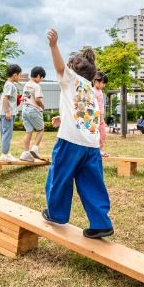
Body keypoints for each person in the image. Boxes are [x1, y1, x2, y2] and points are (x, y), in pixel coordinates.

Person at [42, 29, 113, 239]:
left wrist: (53, 46)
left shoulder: (70, 79)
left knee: (59, 177)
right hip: (91, 145)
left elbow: (59, 66)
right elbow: (82, 111)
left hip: (70, 143)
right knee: (92, 183)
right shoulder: (91, 89)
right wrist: (62, 119)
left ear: (73, 69)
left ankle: (56, 213)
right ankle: (101, 223)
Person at [19, 66, 46, 162]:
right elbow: (38, 99)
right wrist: (42, 107)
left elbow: (23, 97)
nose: (41, 80)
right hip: (33, 110)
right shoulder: (37, 86)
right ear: (38, 76)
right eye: (42, 78)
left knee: (29, 132)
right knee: (41, 129)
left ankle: (25, 153)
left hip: (25, 110)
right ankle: (35, 149)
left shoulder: (26, 84)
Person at [0, 64, 21, 162]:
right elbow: (5, 98)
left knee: (5, 134)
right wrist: (8, 111)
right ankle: (5, 155)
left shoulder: (9, 84)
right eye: (19, 75)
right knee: (7, 134)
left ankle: (6, 153)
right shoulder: (10, 85)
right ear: (15, 75)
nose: (19, 77)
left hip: (4, 112)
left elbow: (10, 99)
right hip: (6, 113)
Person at [92, 72, 108, 155]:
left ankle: (99, 149)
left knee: (103, 134)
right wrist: (100, 117)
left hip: (101, 116)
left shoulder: (100, 91)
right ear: (96, 81)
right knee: (97, 134)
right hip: (96, 116)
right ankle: (97, 150)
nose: (104, 85)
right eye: (103, 83)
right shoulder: (93, 91)